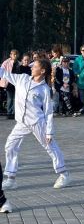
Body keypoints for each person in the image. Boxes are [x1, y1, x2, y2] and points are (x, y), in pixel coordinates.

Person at [0, 58, 71, 190]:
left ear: (42, 71)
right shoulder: (22, 79)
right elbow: (4, 73)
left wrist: (49, 131)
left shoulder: (44, 89)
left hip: (37, 123)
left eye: (35, 66)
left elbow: (49, 112)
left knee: (50, 147)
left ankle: (64, 175)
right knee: (10, 146)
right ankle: (11, 178)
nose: (31, 68)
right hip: (21, 122)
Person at [1, 50, 19, 120]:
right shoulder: (6, 62)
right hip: (8, 83)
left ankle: (14, 113)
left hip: (16, 83)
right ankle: (9, 113)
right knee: (10, 98)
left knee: (15, 99)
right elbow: (1, 70)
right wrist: (4, 78)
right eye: (13, 54)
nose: (15, 56)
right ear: (10, 55)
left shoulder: (18, 63)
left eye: (16, 54)